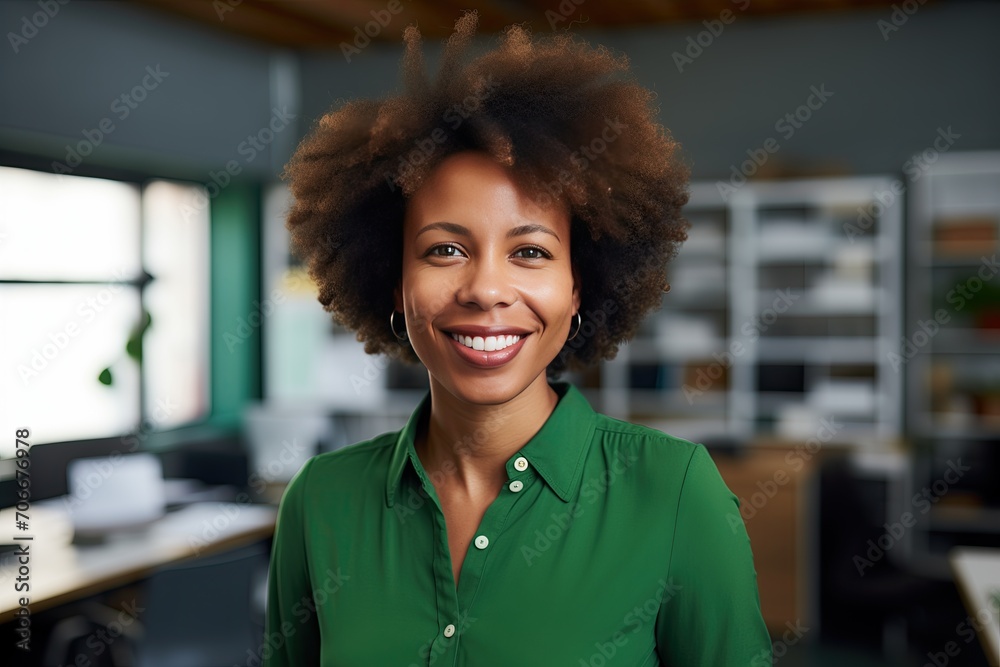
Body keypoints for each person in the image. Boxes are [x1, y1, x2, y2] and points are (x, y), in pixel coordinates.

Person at [264, 11, 771, 666]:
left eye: (529, 252)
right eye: (444, 249)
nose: (485, 289)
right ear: (394, 281)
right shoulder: (320, 502)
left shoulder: (676, 495)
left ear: (579, 285)